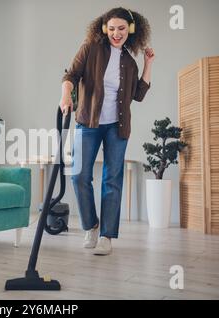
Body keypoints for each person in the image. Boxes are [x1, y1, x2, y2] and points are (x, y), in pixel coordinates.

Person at [60, 7, 154, 255]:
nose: (116, 33)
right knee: (79, 176)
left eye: (121, 28)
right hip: (87, 121)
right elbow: (71, 74)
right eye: (111, 28)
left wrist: (148, 64)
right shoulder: (90, 48)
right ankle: (91, 226)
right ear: (104, 29)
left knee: (112, 180)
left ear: (130, 30)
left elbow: (138, 95)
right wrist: (66, 95)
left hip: (117, 127)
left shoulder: (129, 63)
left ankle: (106, 236)